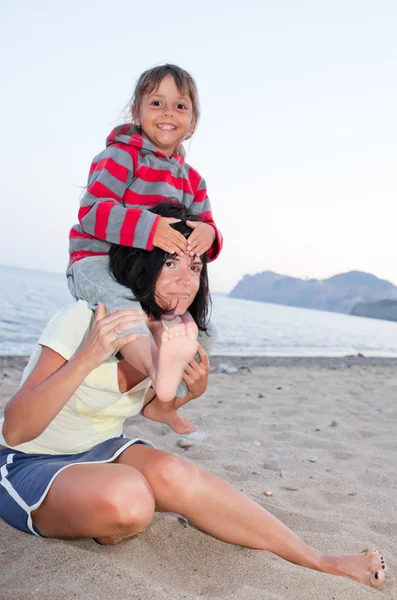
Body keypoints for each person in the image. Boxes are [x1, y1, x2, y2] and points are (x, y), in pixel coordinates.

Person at [0, 211, 387, 590]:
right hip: (28, 460)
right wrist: (87, 356)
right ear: (142, 264)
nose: (187, 282)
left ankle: (316, 558)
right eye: (171, 263)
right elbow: (15, 428)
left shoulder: (174, 335)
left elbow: (154, 409)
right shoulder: (86, 318)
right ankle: (110, 515)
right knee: (131, 502)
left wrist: (185, 398)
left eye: (196, 267)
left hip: (102, 451)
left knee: (174, 473)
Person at [67, 64, 222, 435]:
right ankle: (158, 372)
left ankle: (162, 402)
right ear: (136, 112)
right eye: (156, 102)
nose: (168, 112)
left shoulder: (194, 181)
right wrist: (150, 229)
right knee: (125, 311)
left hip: (146, 274)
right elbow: (93, 212)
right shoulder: (121, 157)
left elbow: (208, 232)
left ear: (193, 121)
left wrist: (208, 234)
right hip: (97, 261)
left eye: (180, 106)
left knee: (205, 331)